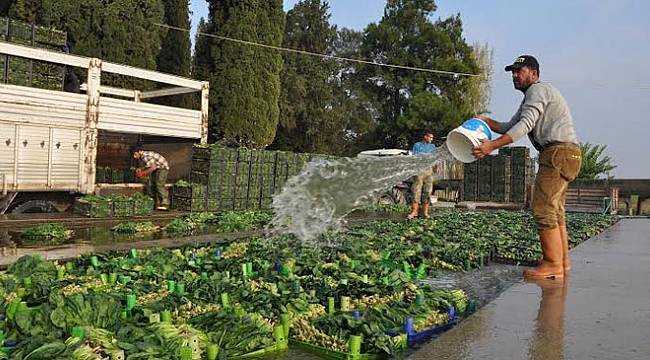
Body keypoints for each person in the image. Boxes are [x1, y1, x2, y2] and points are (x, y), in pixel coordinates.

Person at [472, 55, 581, 280]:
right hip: (567, 153)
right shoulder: (531, 97)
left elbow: (524, 126)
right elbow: (509, 126)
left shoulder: (537, 91)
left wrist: (491, 145)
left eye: (519, 71)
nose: (514, 75)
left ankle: (552, 264)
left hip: (557, 153)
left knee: (543, 208)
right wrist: (485, 122)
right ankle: (562, 261)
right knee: (556, 210)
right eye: (512, 71)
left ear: (534, 74)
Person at [408, 131, 437, 219]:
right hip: (419, 170)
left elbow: (435, 157)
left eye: (432, 138)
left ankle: (425, 212)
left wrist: (436, 166)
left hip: (429, 170)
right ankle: (414, 212)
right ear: (425, 137)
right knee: (416, 190)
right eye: (430, 137)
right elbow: (414, 157)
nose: (431, 139)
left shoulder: (432, 147)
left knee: (427, 191)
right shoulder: (417, 145)